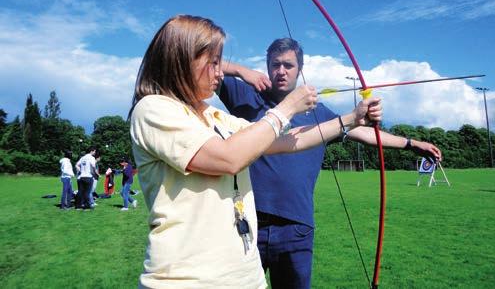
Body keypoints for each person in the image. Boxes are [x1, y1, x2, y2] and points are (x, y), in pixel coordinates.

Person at [128, 15, 382, 288]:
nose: (220, 72)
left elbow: (282, 140)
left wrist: (351, 119)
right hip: (189, 279)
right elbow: (227, 159)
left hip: (243, 277)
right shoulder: (155, 108)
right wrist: (287, 108)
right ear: (180, 60)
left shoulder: (214, 116)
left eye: (219, 62)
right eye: (213, 62)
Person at [218, 37, 443, 289]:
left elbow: (362, 132)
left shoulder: (319, 112)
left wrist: (412, 143)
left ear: (299, 70)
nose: (281, 71)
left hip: (297, 228)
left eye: (288, 65)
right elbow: (199, 64)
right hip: (249, 223)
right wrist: (240, 70)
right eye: (275, 64)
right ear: (267, 66)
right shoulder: (247, 97)